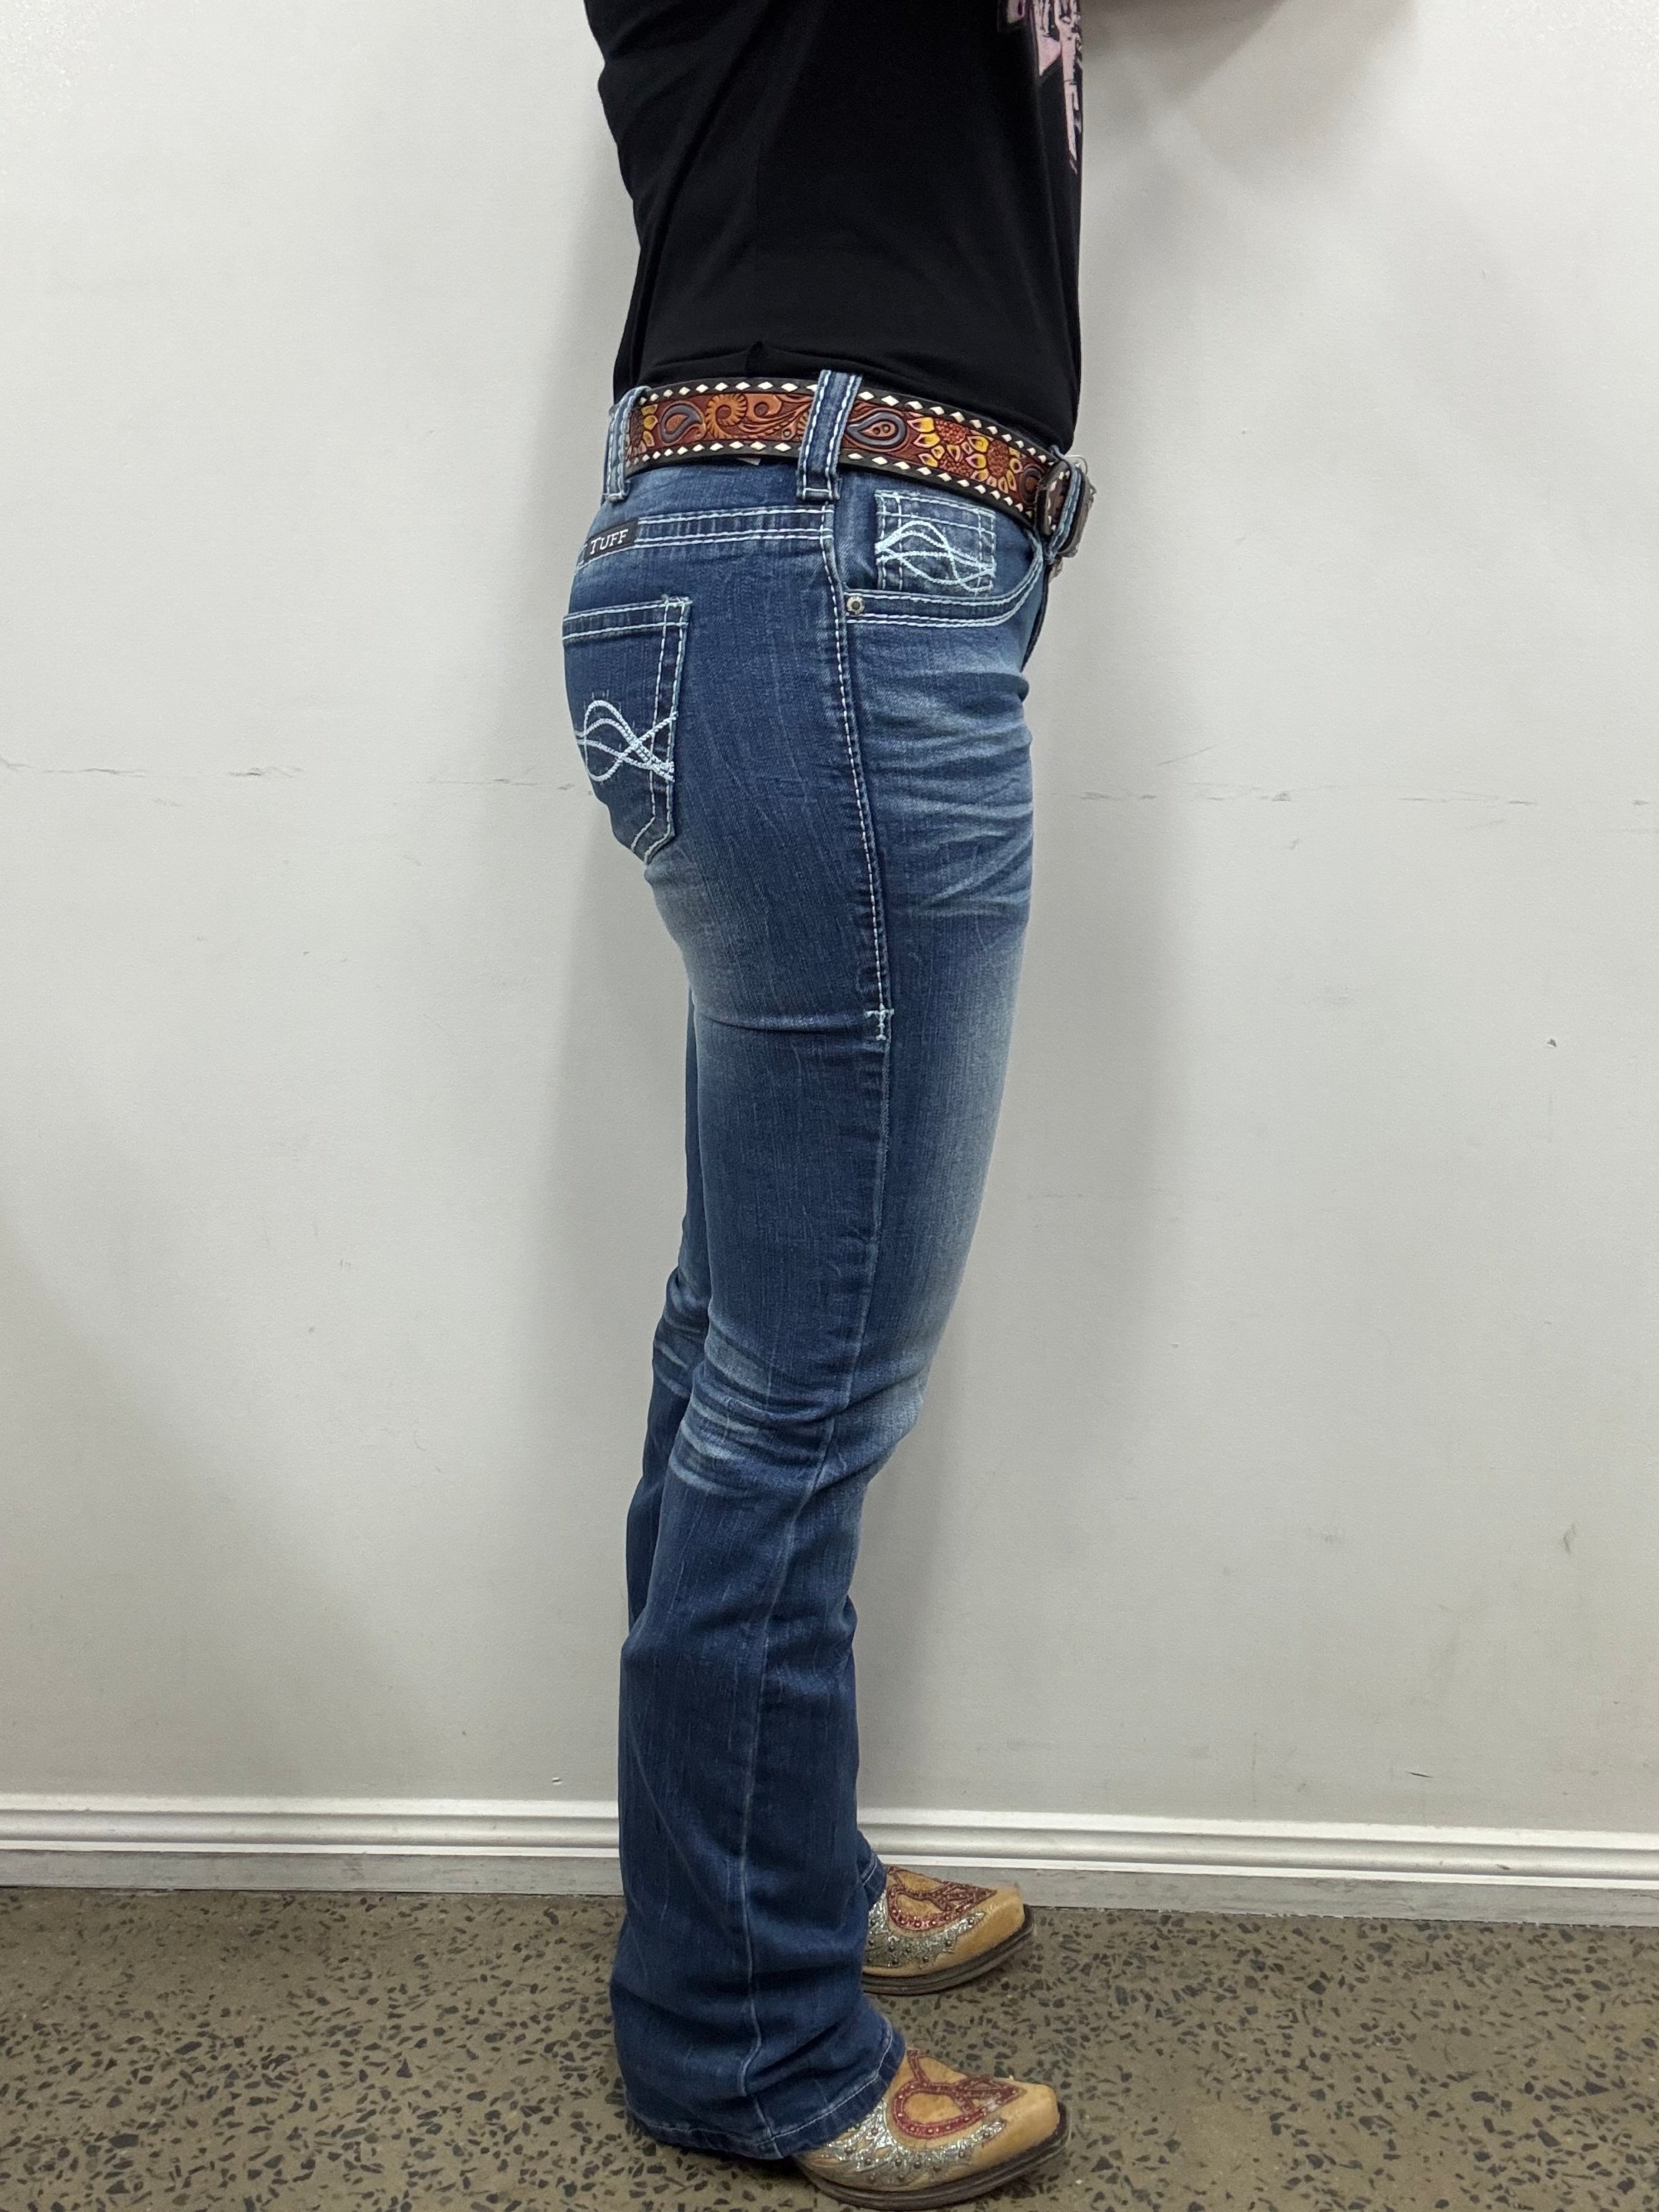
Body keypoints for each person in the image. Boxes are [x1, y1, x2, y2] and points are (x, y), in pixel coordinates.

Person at [565, 3, 1091, 2201]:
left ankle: (763, 1886)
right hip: (833, 554)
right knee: (796, 1387)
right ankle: (744, 2037)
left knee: (747, 1348)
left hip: (797, 552)